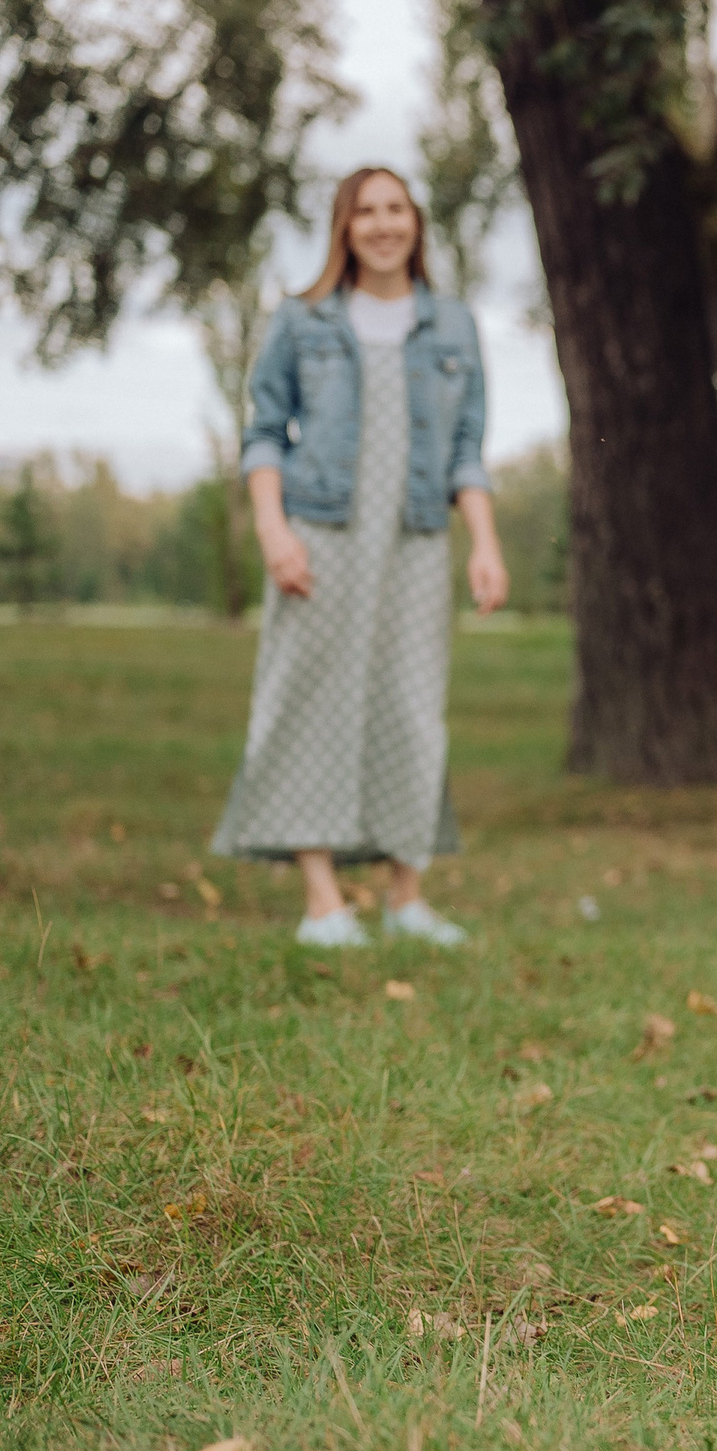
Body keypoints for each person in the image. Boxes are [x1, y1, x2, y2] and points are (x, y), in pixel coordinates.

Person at [209, 166, 508, 947]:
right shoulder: (304, 321)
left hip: (415, 541)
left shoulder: (452, 324)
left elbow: (467, 450)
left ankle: (406, 898)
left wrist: (484, 543)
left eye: (395, 209)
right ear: (343, 227)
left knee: (410, 707)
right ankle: (322, 902)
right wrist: (275, 534)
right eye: (365, 211)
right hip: (320, 538)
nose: (382, 224)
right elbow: (265, 434)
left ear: (416, 222)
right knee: (310, 700)